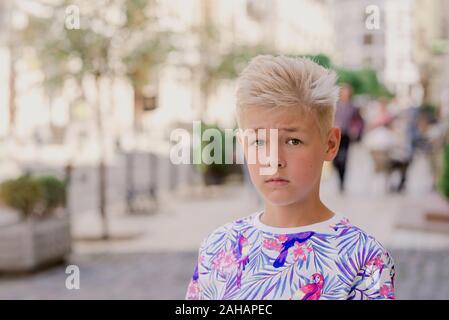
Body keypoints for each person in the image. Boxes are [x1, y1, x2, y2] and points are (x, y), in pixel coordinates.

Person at [185, 55, 395, 300]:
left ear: (330, 144)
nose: (274, 159)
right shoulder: (217, 247)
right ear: (243, 146)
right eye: (259, 141)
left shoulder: (364, 259)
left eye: (293, 141)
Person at [332, 84, 363, 192]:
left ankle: (342, 182)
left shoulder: (353, 107)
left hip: (346, 136)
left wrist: (355, 130)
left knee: (344, 159)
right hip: (335, 136)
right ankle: (338, 175)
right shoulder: (335, 106)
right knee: (335, 160)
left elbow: (359, 121)